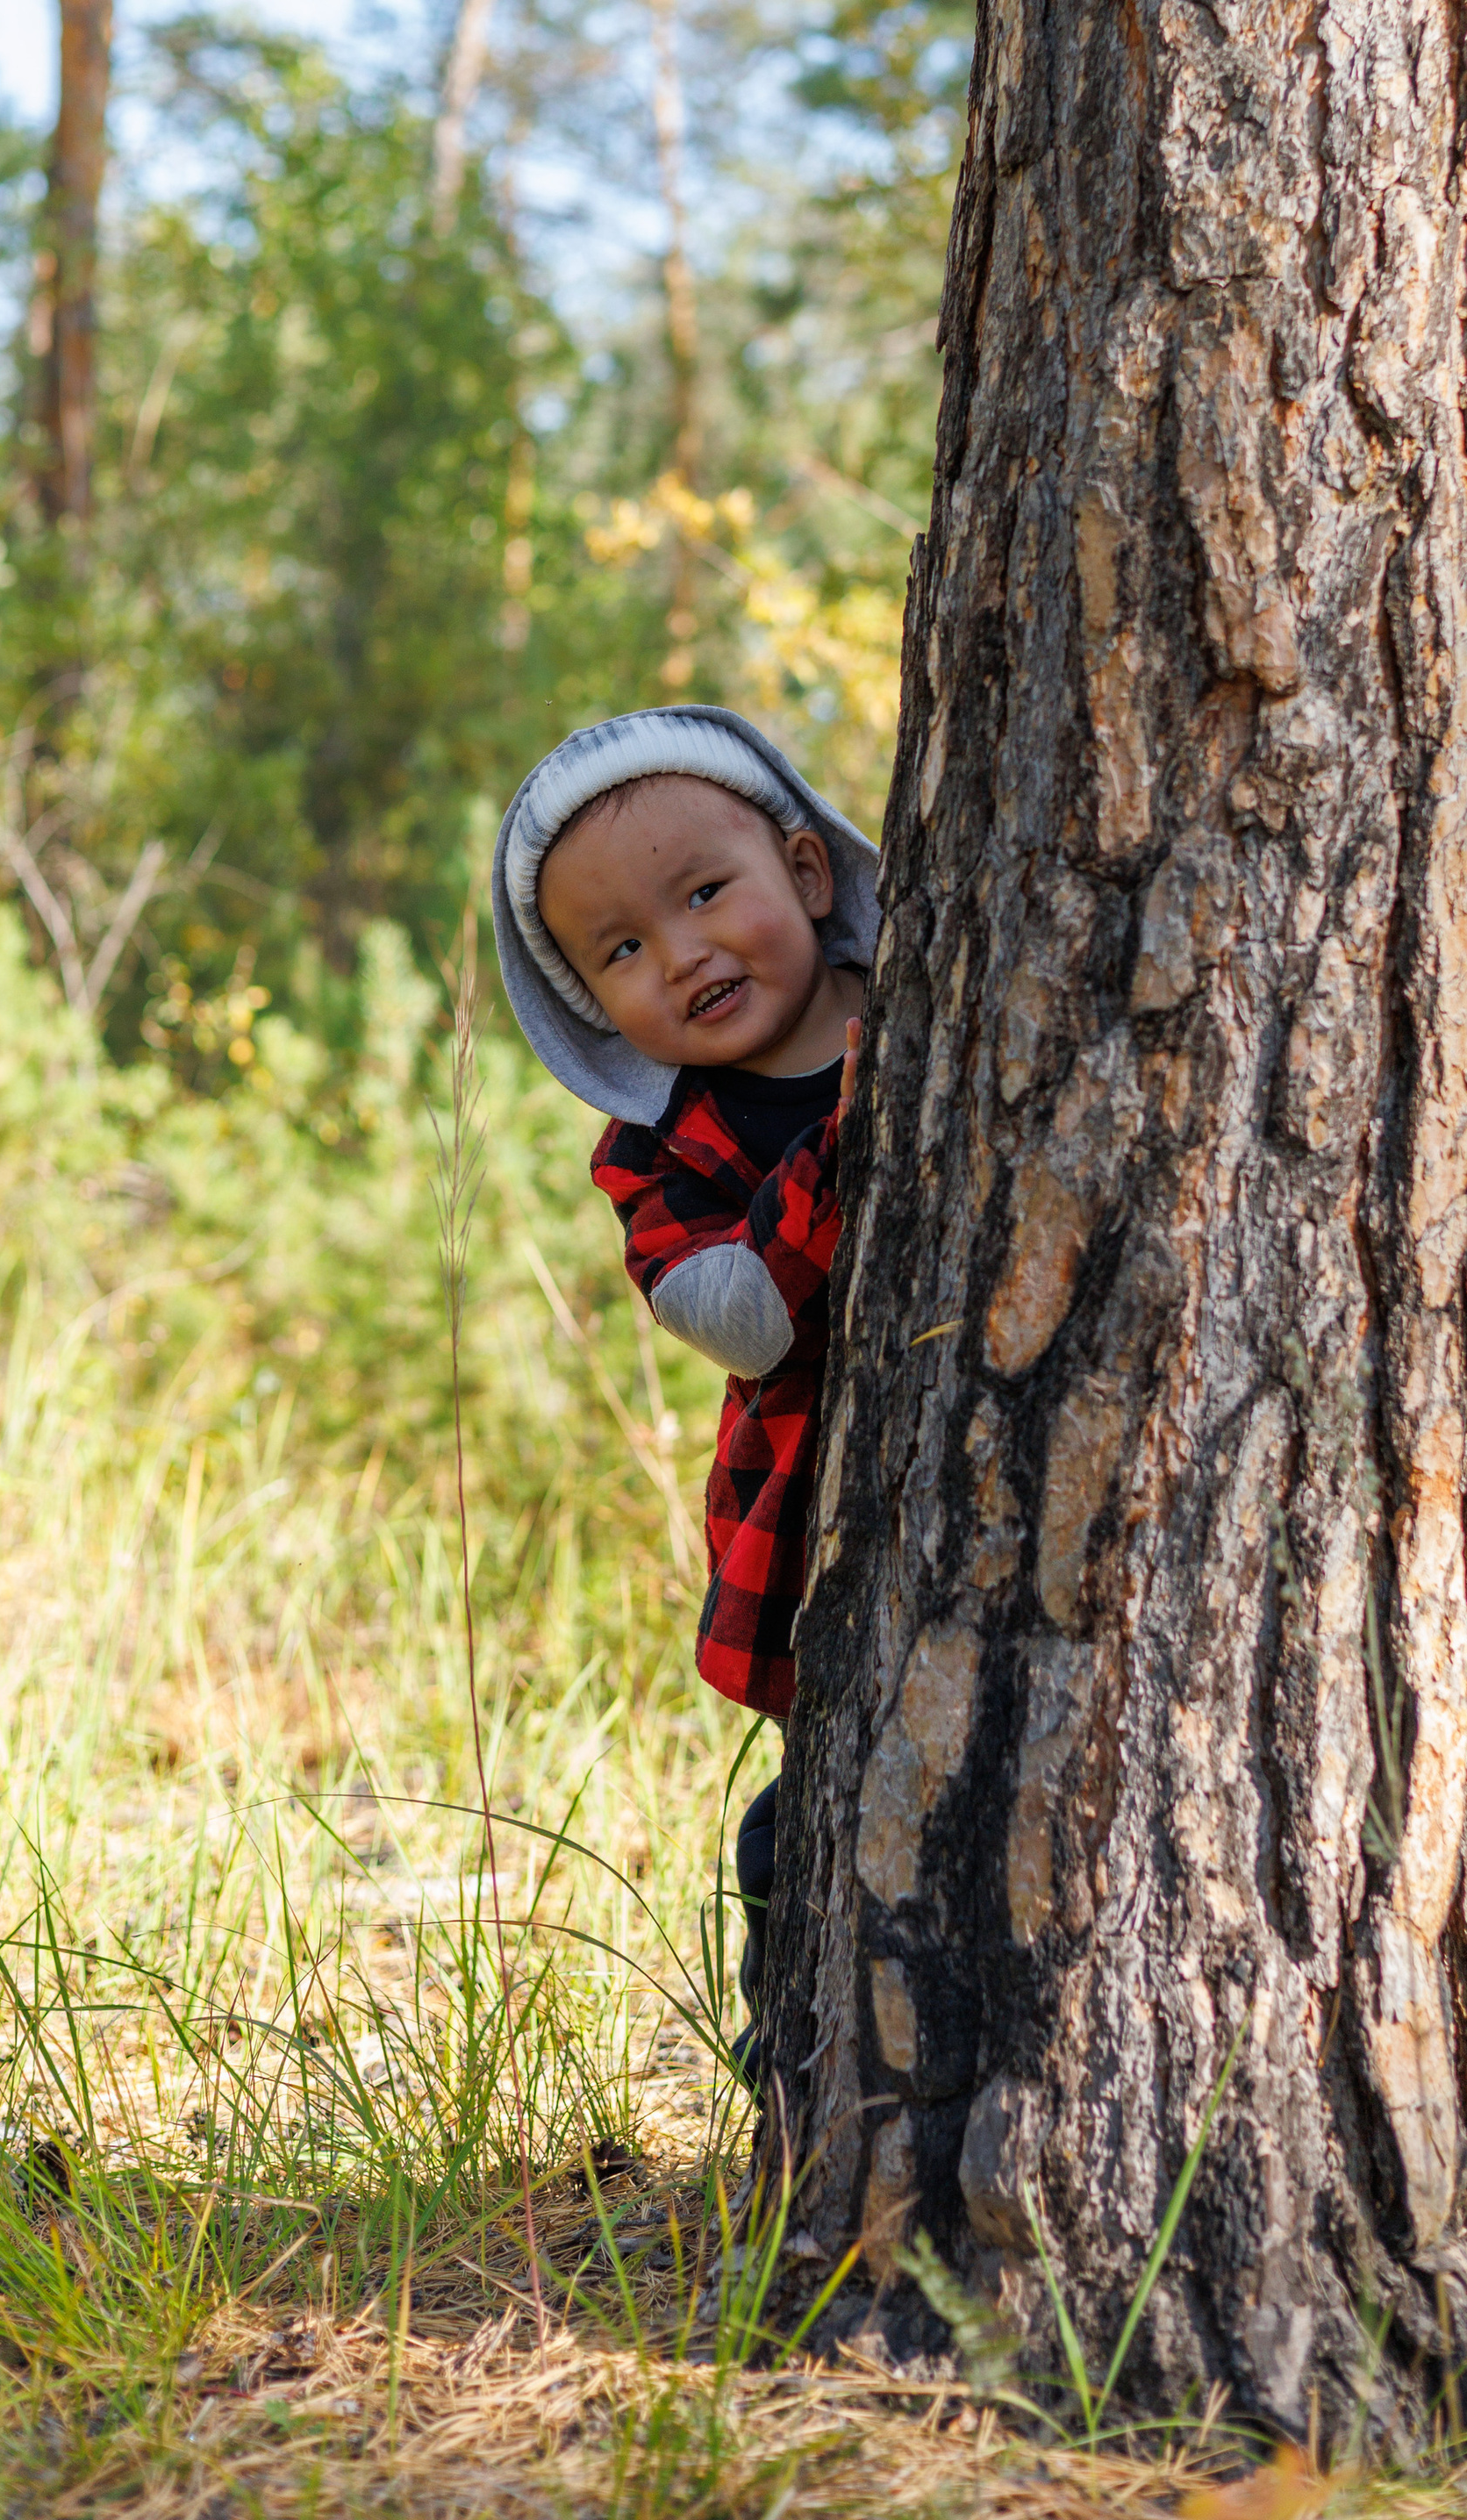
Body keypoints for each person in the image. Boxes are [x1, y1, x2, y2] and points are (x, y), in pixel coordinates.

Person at [490, 708, 875, 2087]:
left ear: (806, 871)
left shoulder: (941, 997)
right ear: (594, 1005)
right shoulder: (655, 1154)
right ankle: (799, 2056)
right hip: (811, 1523)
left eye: (706, 893)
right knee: (826, 1795)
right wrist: (858, 1128)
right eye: (622, 951)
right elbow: (741, 1313)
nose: (682, 954)